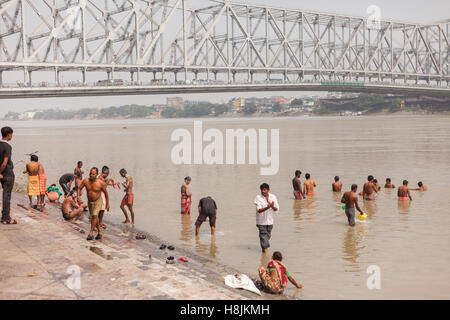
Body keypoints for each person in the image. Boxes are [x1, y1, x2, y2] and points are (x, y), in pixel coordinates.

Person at [78, 168, 109, 240]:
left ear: (96, 174)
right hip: (90, 202)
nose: (91, 175)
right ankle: (99, 232)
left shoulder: (100, 182)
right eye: (90, 173)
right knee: (94, 217)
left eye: (93, 174)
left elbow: (106, 193)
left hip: (98, 201)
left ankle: (90, 233)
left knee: (95, 215)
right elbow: (79, 188)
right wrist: (78, 197)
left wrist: (107, 204)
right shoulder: (86, 181)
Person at [254, 183, 279, 254]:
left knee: (267, 238)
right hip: (261, 222)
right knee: (263, 237)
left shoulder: (273, 197)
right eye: (262, 190)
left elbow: (276, 209)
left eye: (264, 190)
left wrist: (272, 206)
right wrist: (267, 207)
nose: (263, 191)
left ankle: (264, 251)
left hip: (270, 221)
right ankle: (265, 256)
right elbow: (259, 210)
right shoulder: (258, 198)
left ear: (268, 190)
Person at [0, 127, 17, 225]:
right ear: (9, 134)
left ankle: (5, 216)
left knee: (5, 195)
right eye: (11, 134)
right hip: (7, 173)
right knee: (6, 196)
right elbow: (4, 163)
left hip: (2, 173)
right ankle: (6, 218)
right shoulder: (7, 147)